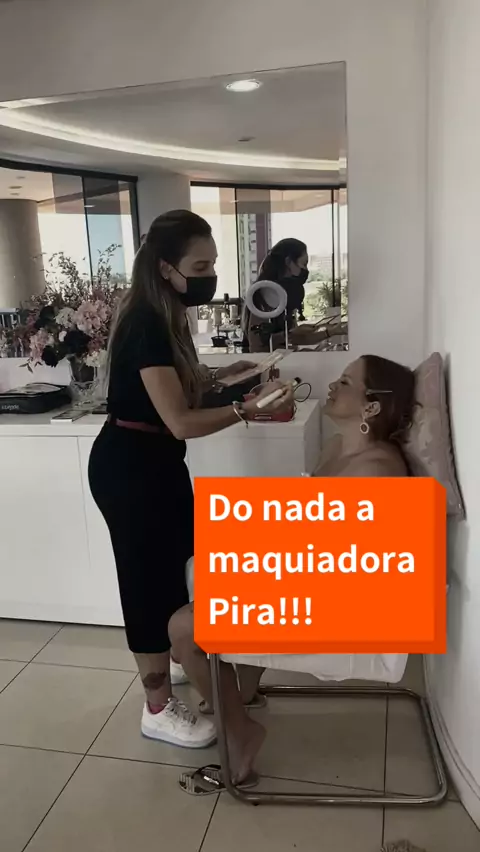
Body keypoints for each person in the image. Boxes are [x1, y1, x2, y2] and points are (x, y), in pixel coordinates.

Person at [88, 209, 293, 750]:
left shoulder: (169, 313)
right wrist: (247, 409)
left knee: (178, 567)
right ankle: (156, 707)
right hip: (130, 469)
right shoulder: (145, 323)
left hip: (159, 464)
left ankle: (176, 657)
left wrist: (227, 380)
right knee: (146, 584)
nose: (210, 276)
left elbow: (179, 391)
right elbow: (179, 419)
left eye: (213, 264)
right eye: (200, 267)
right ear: (165, 268)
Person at [168, 353, 415, 786]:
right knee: (206, 566)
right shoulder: (338, 448)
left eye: (345, 382)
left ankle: (241, 734)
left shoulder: (376, 473)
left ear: (372, 406)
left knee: (182, 628)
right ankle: (240, 687)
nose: (332, 386)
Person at [241, 238, 347, 353]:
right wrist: (291, 334)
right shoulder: (265, 294)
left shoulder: (287, 294)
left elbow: (294, 339)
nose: (305, 270)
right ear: (288, 262)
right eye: (304, 264)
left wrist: (331, 332)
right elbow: (258, 345)